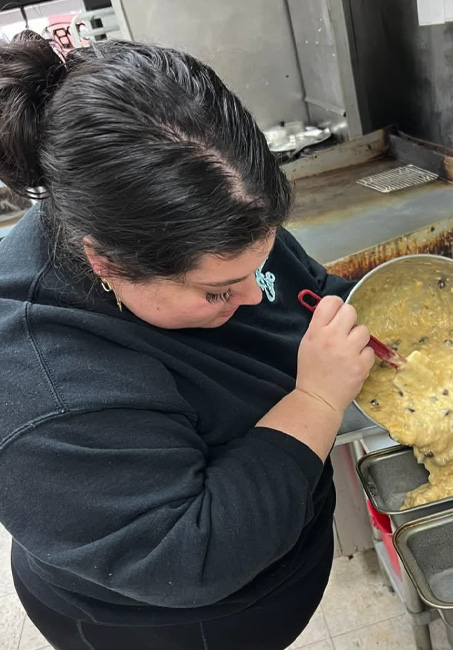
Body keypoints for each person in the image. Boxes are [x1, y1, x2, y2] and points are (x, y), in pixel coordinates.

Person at [0, 31, 375, 650]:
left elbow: (304, 293)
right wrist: (316, 401)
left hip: (277, 565)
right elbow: (191, 554)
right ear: (108, 264)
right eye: (219, 292)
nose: (255, 295)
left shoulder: (214, 215)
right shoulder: (37, 385)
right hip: (164, 625)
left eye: (258, 265)